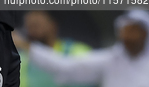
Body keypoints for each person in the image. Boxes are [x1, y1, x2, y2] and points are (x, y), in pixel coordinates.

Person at [13, 10, 149, 87]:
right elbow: (64, 67)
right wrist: (27, 46)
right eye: (126, 32)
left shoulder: (78, 49)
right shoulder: (110, 60)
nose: (129, 37)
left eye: (135, 32)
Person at [17, 11, 93, 87]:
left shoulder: (79, 51)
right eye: (29, 27)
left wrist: (26, 46)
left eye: (36, 26)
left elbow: (64, 68)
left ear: (53, 25)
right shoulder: (21, 60)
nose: (32, 32)